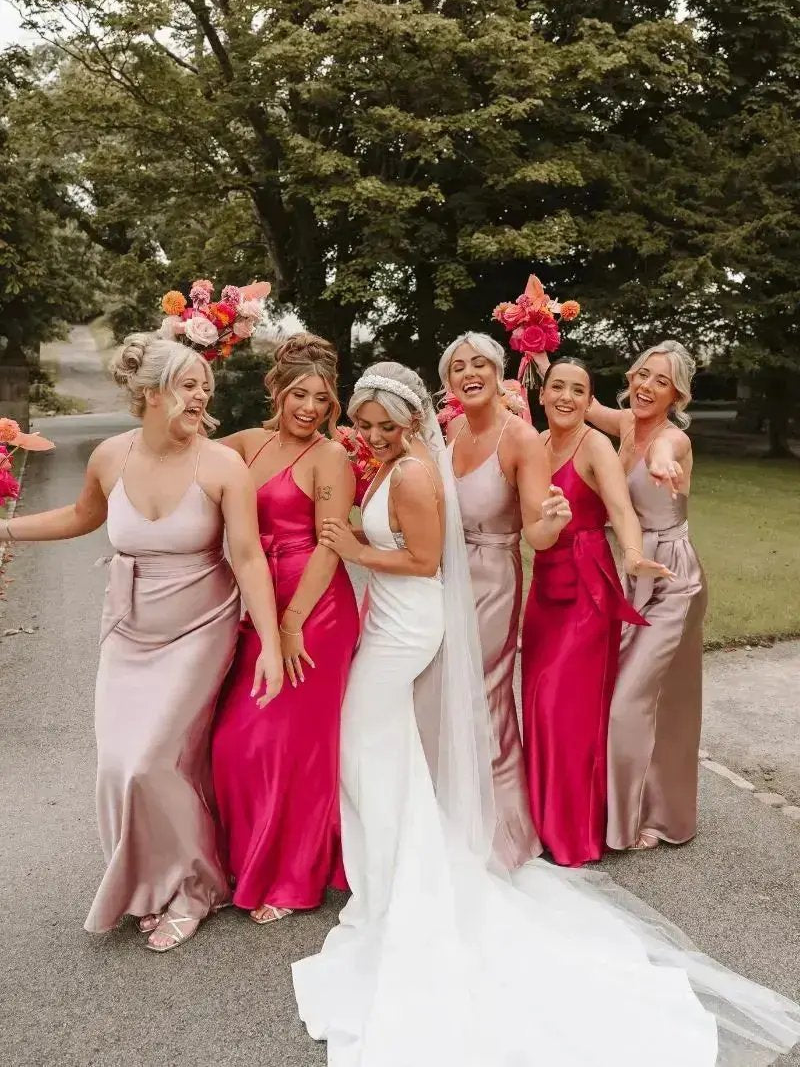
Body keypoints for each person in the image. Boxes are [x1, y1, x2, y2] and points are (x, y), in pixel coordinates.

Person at [291, 361, 800, 1067]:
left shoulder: (500, 446)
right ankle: (412, 849)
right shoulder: (419, 450)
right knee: (420, 729)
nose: (373, 434)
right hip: (427, 603)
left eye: (384, 425)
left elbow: (585, 502)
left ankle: (507, 837)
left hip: (495, 587)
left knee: (486, 713)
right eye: (367, 424)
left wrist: (593, 534)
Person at [1, 334, 282, 951]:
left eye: (204, 386)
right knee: (114, 767)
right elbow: (80, 517)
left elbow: (247, 556)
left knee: (152, 761)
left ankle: (195, 887)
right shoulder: (108, 456)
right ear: (152, 394)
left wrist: (268, 641)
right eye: (189, 385)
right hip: (126, 628)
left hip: (198, 630)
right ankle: (150, 881)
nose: (201, 396)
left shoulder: (221, 466)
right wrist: (6, 529)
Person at [211, 334, 360, 924]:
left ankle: (293, 875)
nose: (309, 407)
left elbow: (330, 546)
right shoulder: (246, 444)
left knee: (290, 745)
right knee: (234, 743)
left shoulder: (331, 459)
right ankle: (246, 860)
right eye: (299, 393)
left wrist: (294, 622)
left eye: (321, 399)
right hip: (255, 604)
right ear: (276, 390)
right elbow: (179, 454)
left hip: (313, 610)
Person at [521, 358, 672, 867]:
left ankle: (575, 831)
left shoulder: (596, 445)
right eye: (558, 387)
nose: (566, 397)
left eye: (578, 390)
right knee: (537, 704)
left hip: (587, 590)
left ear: (590, 401)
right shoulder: (534, 446)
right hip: (543, 592)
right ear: (542, 395)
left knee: (566, 710)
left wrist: (631, 555)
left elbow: (622, 509)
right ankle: (543, 824)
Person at [438, 331, 572, 867]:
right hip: (445, 575)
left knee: (485, 693)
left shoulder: (520, 439)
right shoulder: (448, 431)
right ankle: (453, 813)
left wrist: (552, 523)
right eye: (457, 367)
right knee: (446, 691)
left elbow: (537, 533)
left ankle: (503, 833)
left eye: (480, 365)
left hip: (493, 576)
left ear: (498, 374)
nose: (469, 373)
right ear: (448, 383)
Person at [588, 340, 708, 851]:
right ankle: (629, 805)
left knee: (633, 699)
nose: (646, 386)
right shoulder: (623, 424)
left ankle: (646, 818)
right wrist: (538, 345)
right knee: (633, 694)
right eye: (642, 374)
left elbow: (665, 451)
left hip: (672, 578)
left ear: (676, 394)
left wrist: (660, 462)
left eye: (661, 381)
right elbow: (583, 405)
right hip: (628, 571)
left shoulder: (672, 440)